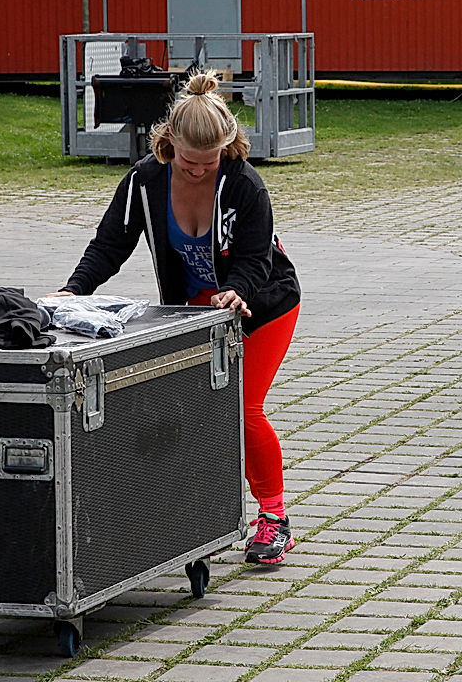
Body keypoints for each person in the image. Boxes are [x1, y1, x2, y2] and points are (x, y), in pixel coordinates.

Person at [52, 70, 302, 565]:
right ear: (169, 144)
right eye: (189, 161)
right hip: (193, 312)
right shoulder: (145, 180)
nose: (198, 171)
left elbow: (255, 258)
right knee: (187, 413)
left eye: (210, 163)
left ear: (228, 149)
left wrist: (234, 291)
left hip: (263, 305)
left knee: (242, 407)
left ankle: (274, 518)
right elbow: (110, 244)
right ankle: (190, 516)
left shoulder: (246, 185)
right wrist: (72, 291)